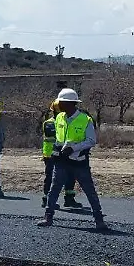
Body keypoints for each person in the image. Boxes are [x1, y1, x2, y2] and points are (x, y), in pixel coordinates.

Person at [38, 89, 105, 229]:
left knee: (89, 190)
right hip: (61, 161)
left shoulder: (85, 120)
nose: (59, 105)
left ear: (70, 103)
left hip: (79, 162)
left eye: (61, 102)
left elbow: (91, 141)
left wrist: (73, 148)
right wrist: (56, 151)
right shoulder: (59, 118)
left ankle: (99, 220)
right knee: (54, 189)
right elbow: (58, 139)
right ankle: (48, 217)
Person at [41, 100, 80, 209]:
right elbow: (56, 137)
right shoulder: (49, 123)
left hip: (65, 154)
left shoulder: (68, 122)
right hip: (51, 155)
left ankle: (69, 199)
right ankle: (47, 199)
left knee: (71, 176)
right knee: (51, 177)